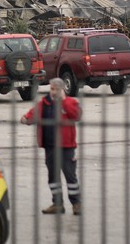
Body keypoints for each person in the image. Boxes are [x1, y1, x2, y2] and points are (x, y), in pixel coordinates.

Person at [21, 78, 82, 215]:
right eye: (51, 88)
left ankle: (76, 204)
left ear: (62, 89)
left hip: (66, 147)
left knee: (70, 177)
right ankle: (57, 204)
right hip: (50, 147)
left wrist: (63, 101)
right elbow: (33, 114)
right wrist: (26, 119)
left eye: (55, 89)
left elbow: (77, 115)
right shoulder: (45, 103)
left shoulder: (71, 102)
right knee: (53, 178)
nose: (52, 91)